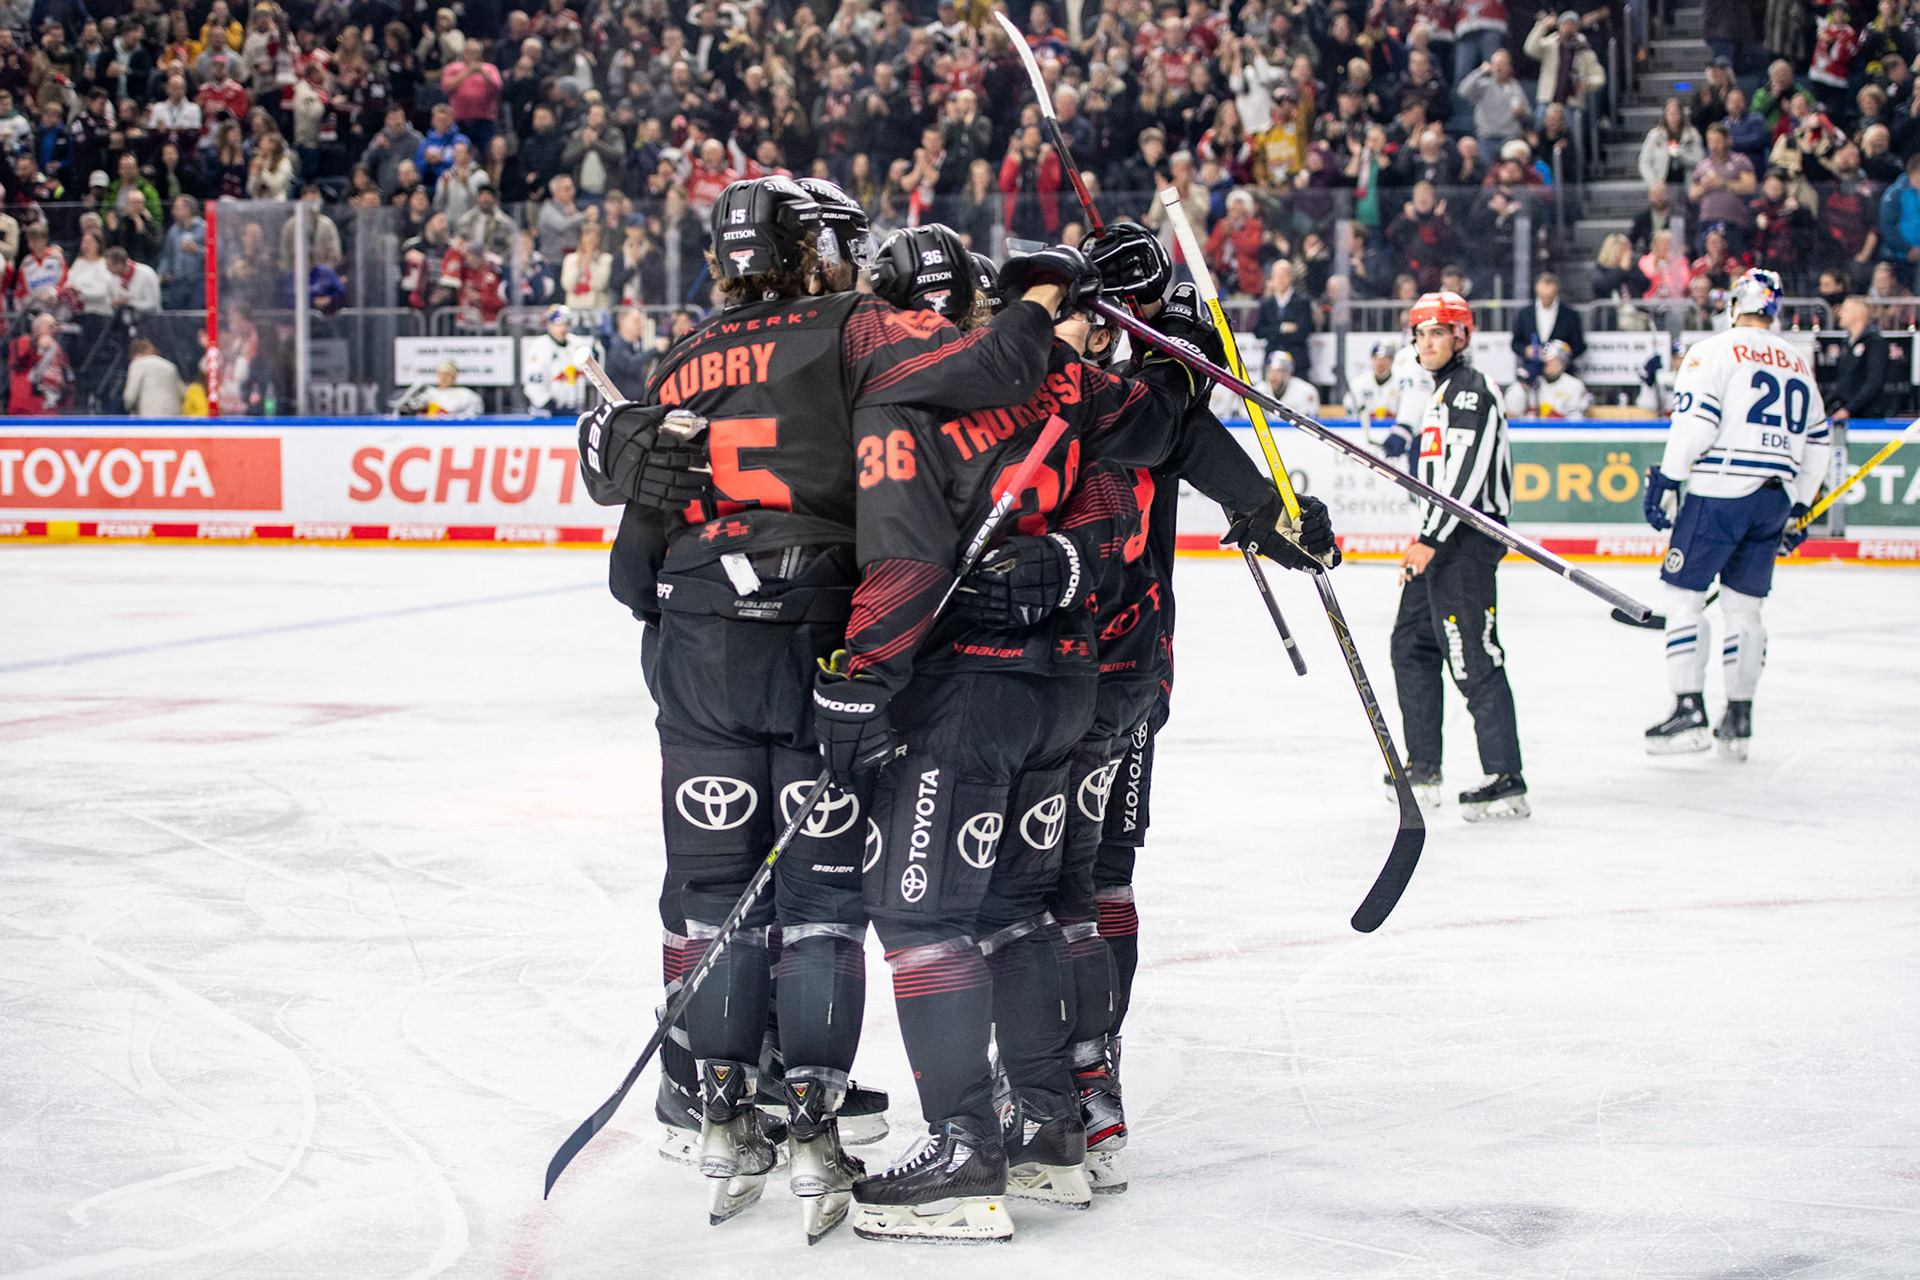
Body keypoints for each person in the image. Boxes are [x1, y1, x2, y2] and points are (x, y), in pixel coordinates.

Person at [573, 176, 1073, 1243]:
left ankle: (716, 1108)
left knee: (711, 888)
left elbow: (629, 574)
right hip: (810, 636)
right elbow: (984, 364)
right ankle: (810, 1120)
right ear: (815, 248)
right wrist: (1039, 299)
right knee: (819, 900)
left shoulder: (680, 355)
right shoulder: (849, 327)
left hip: (692, 641)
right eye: (840, 240)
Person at [1641, 270, 1832, 760]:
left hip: (1718, 490)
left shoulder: (1715, 349)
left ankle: (1688, 712)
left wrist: (1667, 477)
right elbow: (1818, 445)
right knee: (1745, 610)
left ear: (1732, 306)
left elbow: (1696, 423)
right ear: (1775, 310)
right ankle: (1738, 719)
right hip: (1774, 498)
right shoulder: (1798, 362)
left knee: (1683, 598)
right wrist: (1801, 508)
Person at [1390, 291, 1525, 819]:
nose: (1427, 342)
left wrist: (1430, 538)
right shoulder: (1443, 392)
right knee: (1412, 645)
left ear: (1461, 337)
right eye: (1420, 333)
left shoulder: (1470, 391)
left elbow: (1463, 480)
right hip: (1442, 538)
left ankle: (1505, 776)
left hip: (1463, 542)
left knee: (1473, 655)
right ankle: (1423, 764)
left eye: (1438, 332)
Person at [522, 303, 596, 414]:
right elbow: (534, 384)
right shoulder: (539, 347)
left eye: (566, 324)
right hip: (545, 412)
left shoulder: (578, 344)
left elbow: (592, 374)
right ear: (550, 324)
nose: (562, 328)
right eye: (558, 324)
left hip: (575, 408)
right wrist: (551, 405)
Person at [1829, 295, 1889, 425]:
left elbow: (1874, 382)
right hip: (1847, 415)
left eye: (1845, 310)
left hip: (1868, 417)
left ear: (1857, 314)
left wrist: (1849, 409)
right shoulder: (1847, 344)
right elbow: (1842, 383)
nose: (1840, 314)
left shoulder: (1875, 343)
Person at [1510, 271, 1585, 371]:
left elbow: (1579, 346)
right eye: (1542, 296)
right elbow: (1515, 343)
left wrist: (1562, 353)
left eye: (1549, 296)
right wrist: (1526, 350)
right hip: (1532, 371)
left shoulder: (1570, 315)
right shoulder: (1525, 314)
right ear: (1537, 291)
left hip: (1561, 373)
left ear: (1556, 293)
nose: (1545, 300)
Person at [1250, 257, 1311, 373]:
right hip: (1271, 361)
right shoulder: (1266, 303)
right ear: (1272, 279)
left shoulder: (1303, 301)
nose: (1280, 280)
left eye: (1284, 276)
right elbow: (1258, 331)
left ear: (1291, 277)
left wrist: (1272, 332)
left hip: (1297, 361)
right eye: (1277, 276)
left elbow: (1303, 332)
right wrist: (1281, 328)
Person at [1505, 339, 1590, 418]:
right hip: (1530, 432)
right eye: (1545, 359)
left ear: (1563, 362)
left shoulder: (1574, 385)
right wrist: (1523, 384)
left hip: (1560, 432)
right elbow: (1511, 411)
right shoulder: (1531, 382)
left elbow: (1576, 419)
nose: (1547, 363)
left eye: (1554, 360)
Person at [10, 311, 71, 414]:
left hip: (51, 405)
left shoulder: (56, 347)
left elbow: (64, 373)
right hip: (27, 406)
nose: (54, 329)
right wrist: (36, 344)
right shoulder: (22, 342)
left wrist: (67, 402)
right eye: (50, 326)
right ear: (38, 328)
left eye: (55, 326)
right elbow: (19, 358)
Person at [122, 338, 184, 415]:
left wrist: (127, 408)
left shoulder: (138, 364)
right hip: (173, 418)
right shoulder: (170, 366)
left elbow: (130, 398)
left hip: (150, 418)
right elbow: (182, 393)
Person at [1344, 340, 1399, 422]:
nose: (1381, 363)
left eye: (1386, 359)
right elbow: (1350, 414)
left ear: (1392, 361)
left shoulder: (1400, 384)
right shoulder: (1357, 384)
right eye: (1377, 359)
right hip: (1362, 431)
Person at [1263, 349, 1319, 416]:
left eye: (1278, 372)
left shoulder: (1306, 391)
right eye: (1270, 371)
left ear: (1288, 373)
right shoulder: (1258, 391)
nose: (1273, 376)